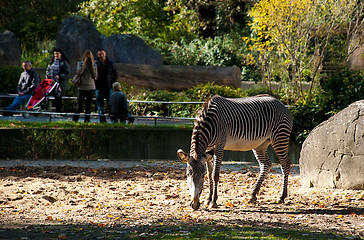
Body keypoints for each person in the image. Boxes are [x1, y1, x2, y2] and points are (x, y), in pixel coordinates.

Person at [72, 50, 98, 123]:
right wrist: (84, 64)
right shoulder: (80, 64)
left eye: (89, 57)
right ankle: (74, 120)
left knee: (88, 107)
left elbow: (95, 76)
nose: (88, 59)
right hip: (81, 87)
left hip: (91, 87)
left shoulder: (94, 65)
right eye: (87, 57)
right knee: (79, 106)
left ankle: (87, 121)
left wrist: (92, 66)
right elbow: (78, 73)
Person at [95, 49, 118, 123]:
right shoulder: (96, 63)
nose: (101, 55)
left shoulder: (110, 63)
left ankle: (113, 120)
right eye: (99, 54)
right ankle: (102, 120)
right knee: (99, 104)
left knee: (111, 103)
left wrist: (112, 83)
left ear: (105, 54)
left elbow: (115, 74)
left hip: (108, 86)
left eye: (102, 53)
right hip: (99, 86)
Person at [46, 48, 70, 113]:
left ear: (60, 54)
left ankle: (58, 110)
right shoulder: (52, 62)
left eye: (57, 54)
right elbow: (48, 70)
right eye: (55, 54)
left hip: (60, 83)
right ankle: (46, 109)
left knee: (58, 95)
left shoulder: (64, 62)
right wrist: (48, 76)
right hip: (52, 82)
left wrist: (59, 77)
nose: (56, 55)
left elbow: (67, 73)